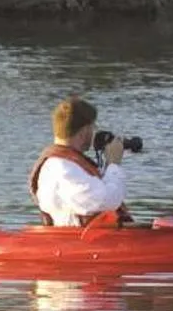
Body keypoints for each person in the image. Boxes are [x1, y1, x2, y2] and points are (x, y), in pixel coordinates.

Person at [31, 96, 131, 227]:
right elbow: (107, 200)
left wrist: (108, 166)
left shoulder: (65, 164)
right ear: (84, 131)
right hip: (76, 242)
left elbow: (99, 195)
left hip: (82, 238)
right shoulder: (62, 167)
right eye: (92, 127)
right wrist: (114, 165)